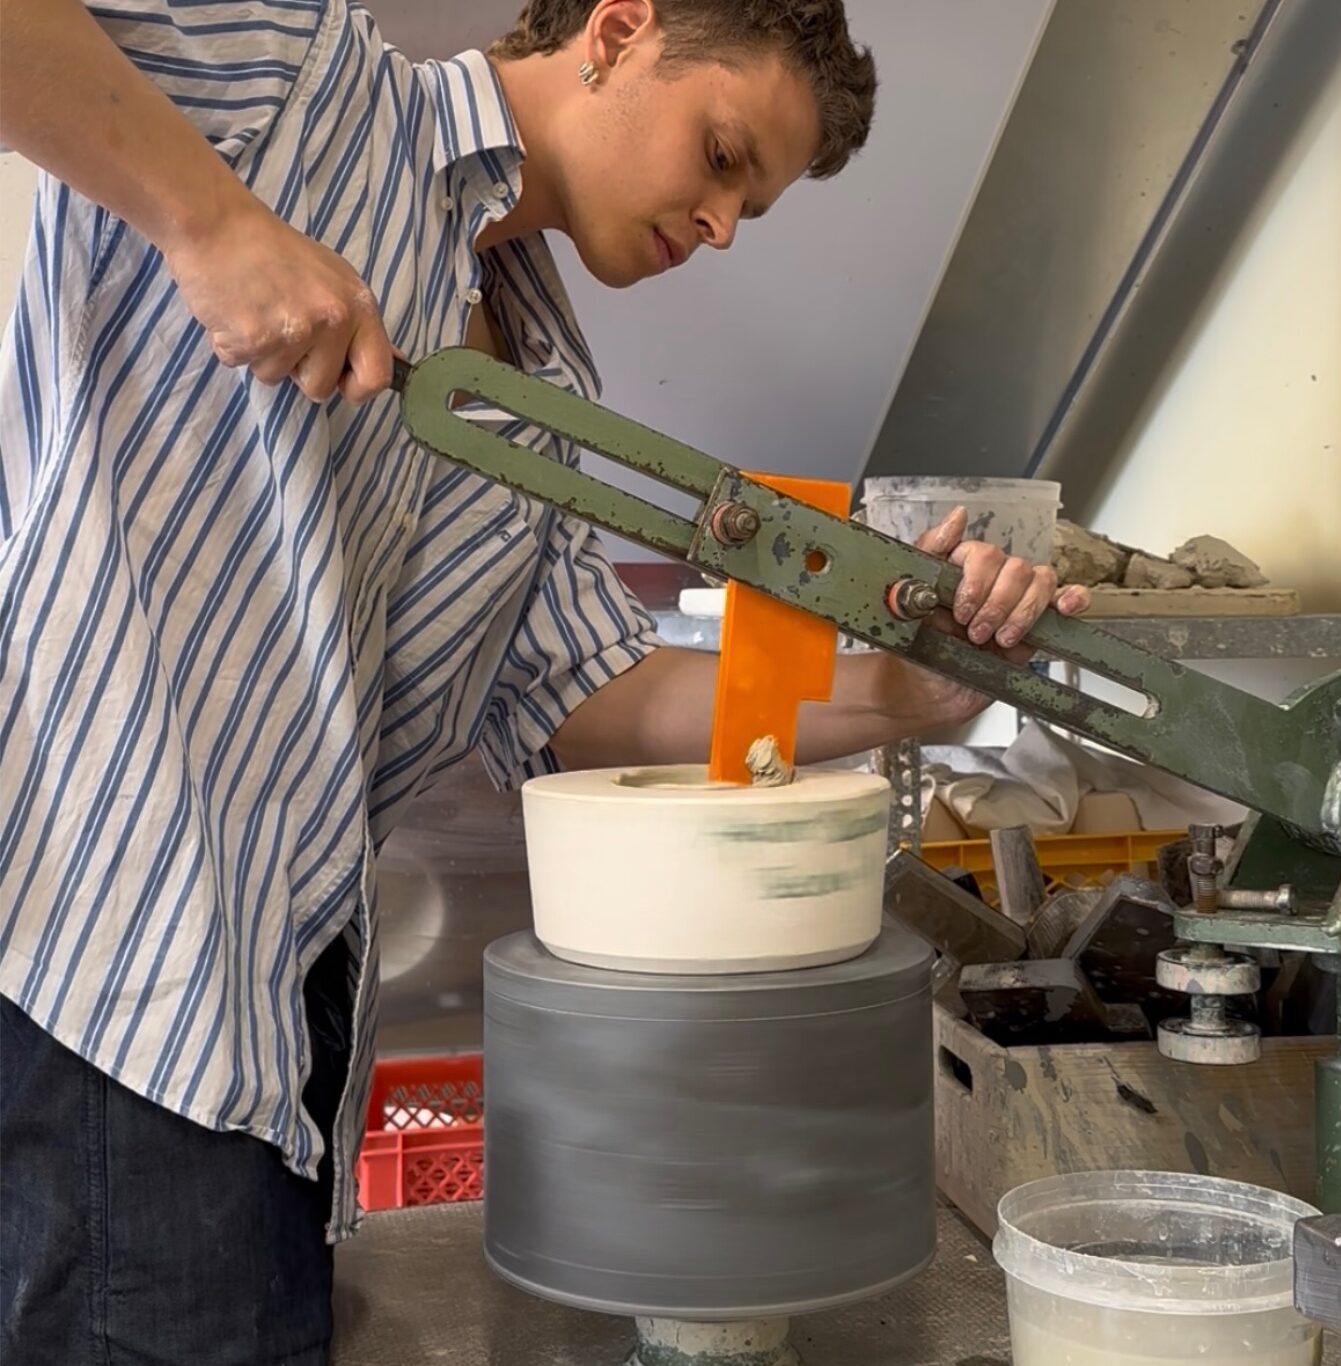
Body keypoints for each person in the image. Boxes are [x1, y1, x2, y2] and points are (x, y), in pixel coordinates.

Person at [0, 0, 1090, 1360]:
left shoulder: (542, 395)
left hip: (278, 1018)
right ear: (619, 29)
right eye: (723, 154)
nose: (722, 224)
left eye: (752, 206)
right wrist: (209, 222)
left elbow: (592, 701)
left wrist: (906, 693)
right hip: (96, 958)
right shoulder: (301, 81)